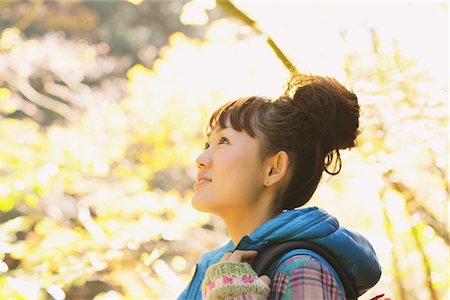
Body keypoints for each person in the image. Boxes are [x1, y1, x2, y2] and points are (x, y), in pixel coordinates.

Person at [178, 75, 382, 299]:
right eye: (207, 144)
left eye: (224, 141)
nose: (201, 158)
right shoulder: (214, 269)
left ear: (274, 169)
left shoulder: (302, 269)